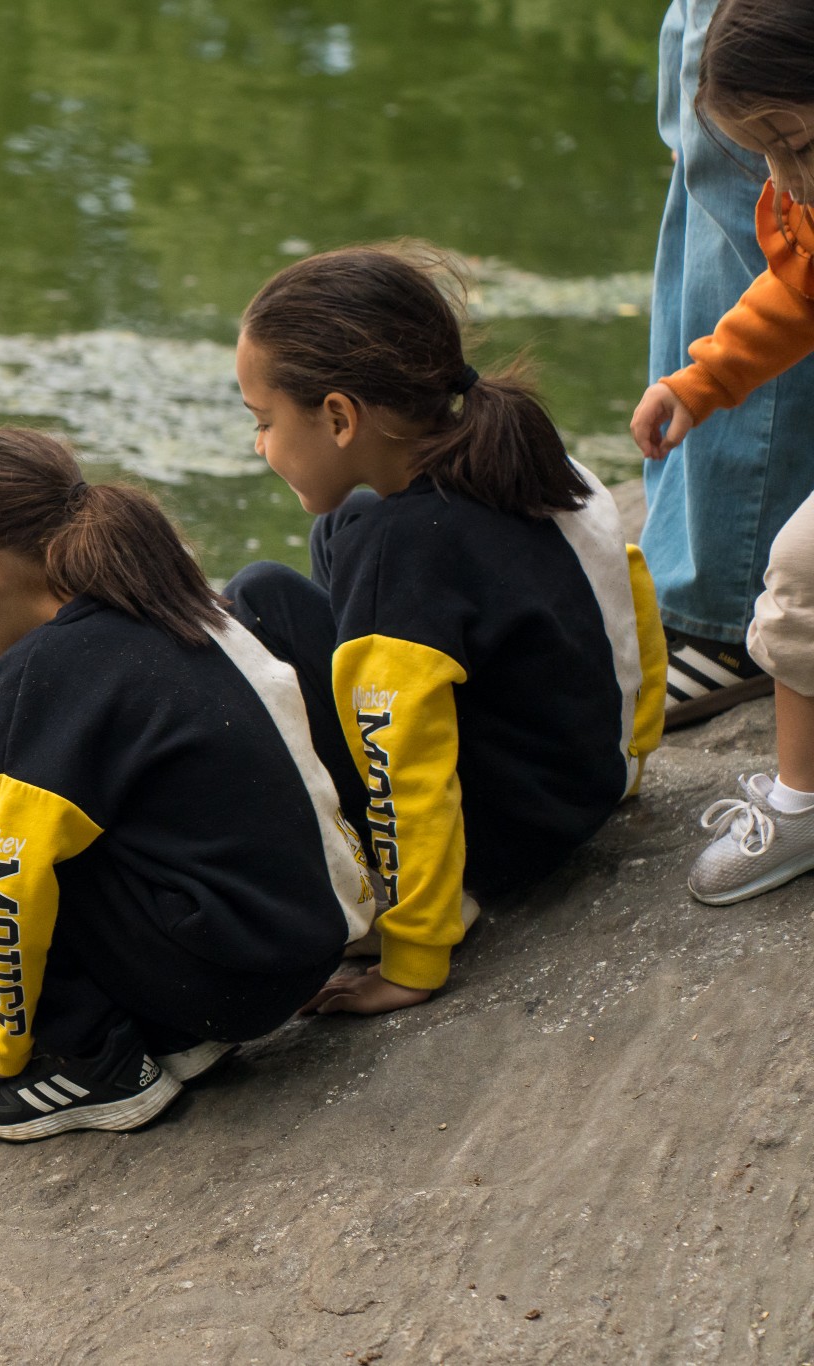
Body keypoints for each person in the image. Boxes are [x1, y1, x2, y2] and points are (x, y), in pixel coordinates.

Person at [232, 245, 667, 1017]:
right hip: (585, 782)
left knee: (260, 599)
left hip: (504, 841)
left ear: (338, 416)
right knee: (345, 526)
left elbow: (405, 762)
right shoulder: (525, 451)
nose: (258, 445)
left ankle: (427, 893)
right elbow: (625, 578)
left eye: (263, 422)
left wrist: (414, 953)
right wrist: (627, 758)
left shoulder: (404, 551)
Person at [0, 427, 375, 1142]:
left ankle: (95, 1064)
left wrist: (3, 1045)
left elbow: (6, 882)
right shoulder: (170, 596)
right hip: (309, 943)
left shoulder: (46, 668)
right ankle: (180, 1037)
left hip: (231, 981)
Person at [632, 0, 814, 904]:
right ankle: (803, 795)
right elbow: (790, 300)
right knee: (800, 573)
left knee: (787, 575)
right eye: (766, 156)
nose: (783, 182)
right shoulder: (805, 208)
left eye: (799, 147)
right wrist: (695, 384)